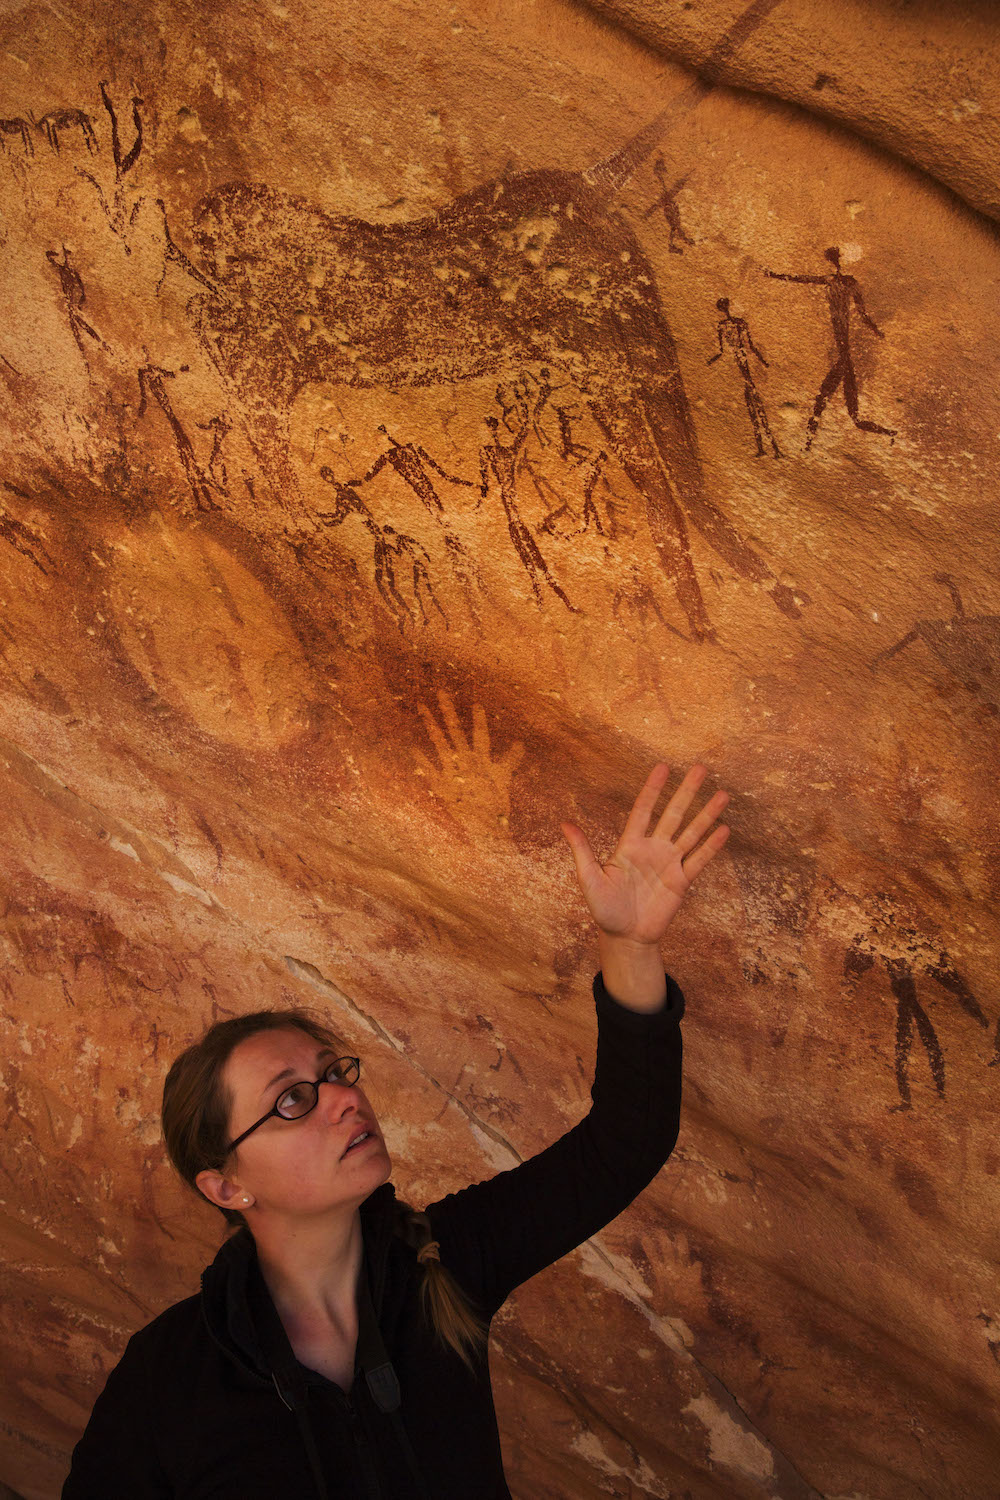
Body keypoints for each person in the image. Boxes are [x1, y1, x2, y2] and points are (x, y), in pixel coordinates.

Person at [62, 761, 730, 1499]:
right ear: (225, 1184)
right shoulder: (169, 1373)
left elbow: (626, 1142)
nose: (344, 1102)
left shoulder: (443, 1265)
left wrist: (630, 946)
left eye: (335, 1074)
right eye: (292, 1102)